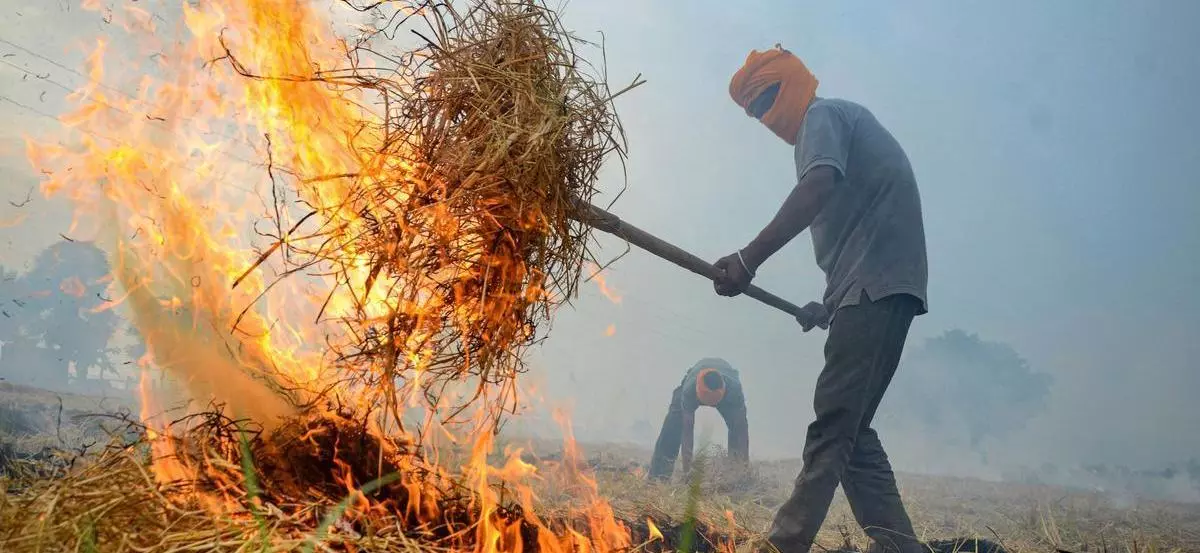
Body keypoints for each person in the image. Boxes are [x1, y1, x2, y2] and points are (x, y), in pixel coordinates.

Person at [712, 45, 930, 553]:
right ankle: (900, 547)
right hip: (875, 288)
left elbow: (817, 188)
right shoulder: (834, 122)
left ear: (792, 83)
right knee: (851, 435)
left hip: (875, 288)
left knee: (832, 424)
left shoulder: (822, 116)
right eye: (755, 111)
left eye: (767, 99)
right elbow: (862, 229)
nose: (766, 117)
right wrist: (828, 305)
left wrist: (748, 259)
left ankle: (783, 544)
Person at [648, 357, 749, 481]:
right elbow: (687, 432)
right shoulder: (689, 389)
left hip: (728, 389)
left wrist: (744, 471)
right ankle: (657, 477)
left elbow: (742, 432)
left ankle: (735, 477)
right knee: (673, 425)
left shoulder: (734, 392)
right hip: (694, 382)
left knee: (737, 431)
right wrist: (687, 472)